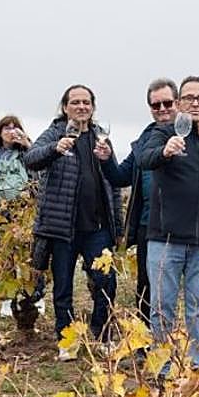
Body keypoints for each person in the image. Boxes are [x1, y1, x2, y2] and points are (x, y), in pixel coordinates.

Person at [136, 76, 199, 366]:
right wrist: (165, 152)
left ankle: (196, 367)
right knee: (162, 307)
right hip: (165, 239)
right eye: (189, 97)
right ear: (178, 103)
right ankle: (164, 367)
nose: (195, 102)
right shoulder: (164, 132)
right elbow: (144, 158)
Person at [23, 85, 122, 351]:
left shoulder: (101, 137)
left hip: (97, 228)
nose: (81, 107)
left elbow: (112, 185)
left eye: (86, 102)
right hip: (62, 228)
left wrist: (118, 226)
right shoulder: (56, 132)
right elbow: (30, 159)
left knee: (106, 282)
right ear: (65, 107)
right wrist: (54, 148)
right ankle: (67, 340)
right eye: (75, 102)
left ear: (93, 107)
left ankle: (101, 333)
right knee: (63, 288)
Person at [113, 78, 179, 334]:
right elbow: (120, 177)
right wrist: (107, 158)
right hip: (149, 226)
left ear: (178, 102)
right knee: (146, 287)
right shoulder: (143, 142)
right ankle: (146, 341)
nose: (162, 109)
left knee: (198, 290)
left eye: (167, 103)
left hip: (187, 227)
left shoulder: (194, 137)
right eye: (156, 105)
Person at [0, 115, 32, 209]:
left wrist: (27, 144)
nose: (11, 132)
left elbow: (38, 167)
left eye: (14, 128)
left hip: (23, 206)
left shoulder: (24, 151)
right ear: (0, 132)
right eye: (7, 128)